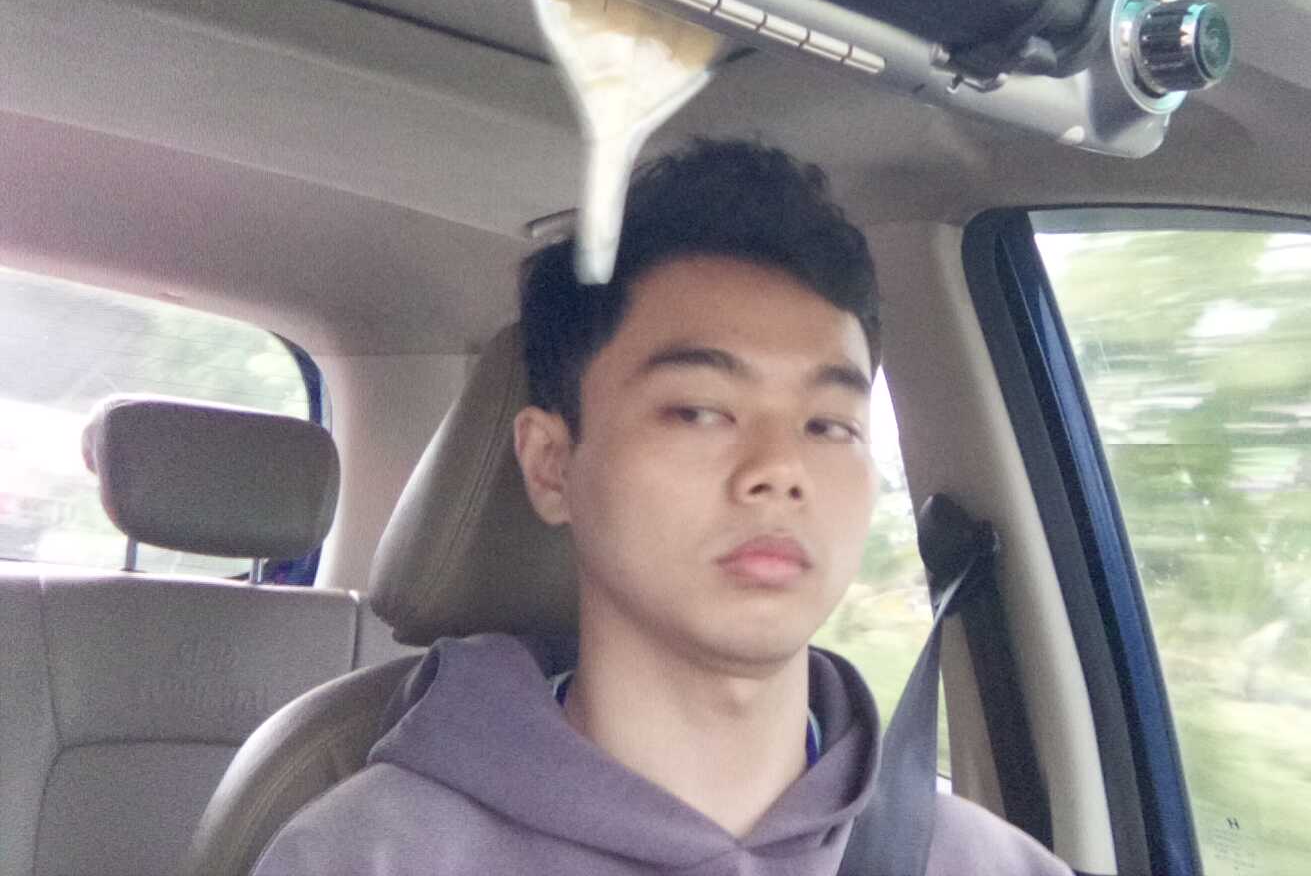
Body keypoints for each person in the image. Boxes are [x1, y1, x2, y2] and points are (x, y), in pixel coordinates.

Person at [252, 138, 1073, 874]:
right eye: (700, 412)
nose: (779, 470)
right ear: (551, 465)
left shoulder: (987, 864)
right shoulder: (364, 856)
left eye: (829, 425)